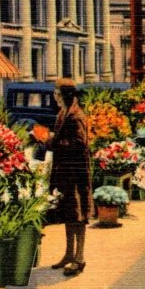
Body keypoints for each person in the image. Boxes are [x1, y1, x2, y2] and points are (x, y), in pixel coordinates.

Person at [42, 78, 91, 277]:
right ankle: (69, 254)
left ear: (65, 95)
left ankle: (79, 258)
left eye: (57, 93)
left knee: (78, 217)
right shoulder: (64, 113)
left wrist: (51, 142)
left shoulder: (76, 116)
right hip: (66, 173)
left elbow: (80, 145)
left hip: (75, 173)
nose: (54, 96)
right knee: (69, 215)